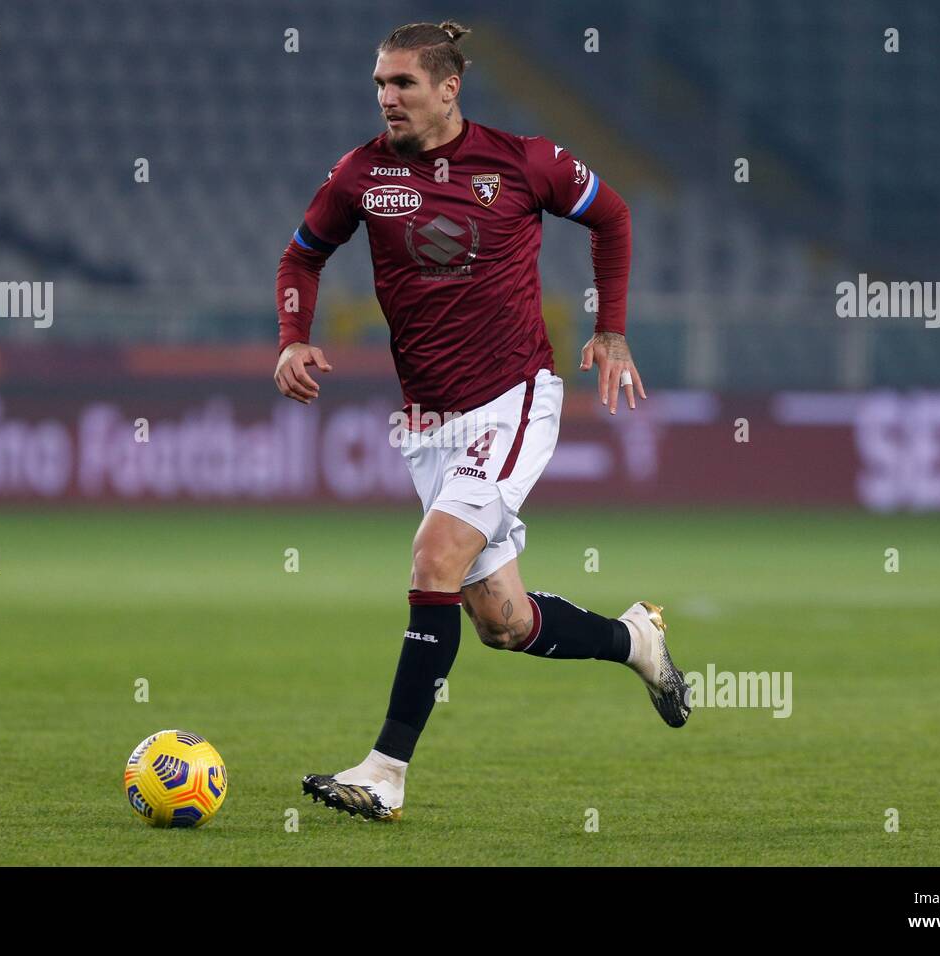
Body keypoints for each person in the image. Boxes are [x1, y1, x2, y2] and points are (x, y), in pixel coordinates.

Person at [274, 20, 691, 821]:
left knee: (433, 556)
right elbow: (302, 255)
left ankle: (385, 772)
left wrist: (611, 328)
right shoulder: (360, 174)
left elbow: (613, 216)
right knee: (503, 622)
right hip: (427, 422)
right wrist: (294, 340)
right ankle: (635, 641)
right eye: (379, 85)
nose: (386, 99)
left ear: (448, 87)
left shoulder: (525, 160)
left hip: (514, 398)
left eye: (402, 84)